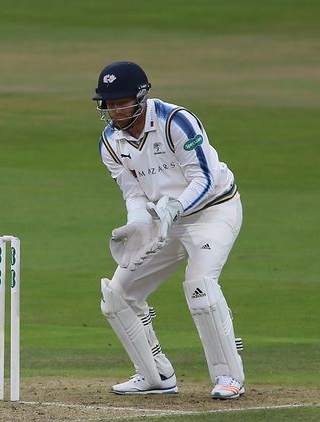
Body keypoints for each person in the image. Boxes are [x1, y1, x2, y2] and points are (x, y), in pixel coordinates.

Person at [93, 62, 245, 399]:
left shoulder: (176, 121)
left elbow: (203, 177)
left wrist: (176, 207)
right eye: (109, 103)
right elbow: (133, 193)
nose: (116, 110)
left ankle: (228, 377)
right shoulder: (109, 141)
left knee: (200, 286)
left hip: (213, 211)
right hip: (163, 218)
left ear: (141, 97)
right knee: (118, 294)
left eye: (122, 101)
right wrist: (137, 225)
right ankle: (155, 374)